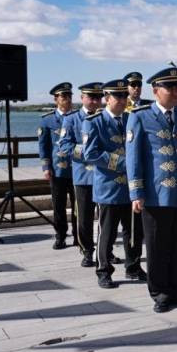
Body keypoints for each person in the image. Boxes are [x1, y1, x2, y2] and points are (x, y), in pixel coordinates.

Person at [126, 67, 177, 312]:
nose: (176, 91)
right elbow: (133, 158)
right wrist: (136, 193)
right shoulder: (140, 116)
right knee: (157, 246)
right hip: (156, 193)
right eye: (170, 88)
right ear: (156, 91)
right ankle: (160, 292)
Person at [84, 79, 146, 288]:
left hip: (131, 187)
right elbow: (90, 153)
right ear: (107, 98)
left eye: (124, 96)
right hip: (109, 187)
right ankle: (103, 271)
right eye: (117, 97)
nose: (122, 100)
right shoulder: (94, 122)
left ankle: (133, 266)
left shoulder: (132, 118)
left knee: (134, 232)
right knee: (107, 233)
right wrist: (122, 162)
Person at [60, 82, 103, 267]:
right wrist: (86, 152)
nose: (95, 101)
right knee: (84, 217)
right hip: (84, 176)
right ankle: (87, 251)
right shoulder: (72, 119)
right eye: (91, 97)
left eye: (98, 97)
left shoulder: (104, 118)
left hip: (104, 176)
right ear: (82, 98)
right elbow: (64, 145)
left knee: (106, 219)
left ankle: (104, 251)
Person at [38, 82, 76, 250]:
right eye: (63, 96)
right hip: (58, 170)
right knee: (59, 206)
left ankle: (79, 235)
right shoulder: (47, 120)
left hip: (77, 170)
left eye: (69, 96)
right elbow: (43, 146)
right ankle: (60, 236)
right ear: (56, 99)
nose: (67, 99)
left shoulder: (77, 118)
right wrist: (46, 167)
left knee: (79, 206)